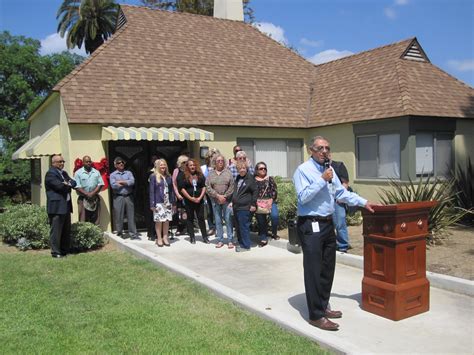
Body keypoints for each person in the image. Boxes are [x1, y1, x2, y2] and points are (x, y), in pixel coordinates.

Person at [293, 135, 375, 331]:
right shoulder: (303, 171)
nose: (324, 151)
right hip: (310, 224)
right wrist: (322, 180)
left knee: (327, 269)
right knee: (314, 270)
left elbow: (341, 193)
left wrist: (364, 202)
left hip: (328, 225)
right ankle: (316, 315)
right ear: (311, 151)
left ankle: (323, 305)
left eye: (327, 148)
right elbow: (303, 198)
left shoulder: (329, 171)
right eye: (320, 148)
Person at [45, 154, 77, 258]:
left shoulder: (64, 173)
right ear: (53, 163)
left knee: (65, 230)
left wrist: (66, 183)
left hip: (66, 206)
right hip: (57, 207)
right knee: (56, 231)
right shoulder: (50, 174)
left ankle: (64, 250)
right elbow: (59, 187)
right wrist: (67, 185)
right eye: (60, 162)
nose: (62, 163)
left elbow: (74, 183)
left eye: (63, 161)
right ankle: (55, 252)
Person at [205, 154, 235, 248]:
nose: (220, 162)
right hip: (215, 201)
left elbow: (232, 186)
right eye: (218, 161)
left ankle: (230, 240)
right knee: (218, 220)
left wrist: (224, 196)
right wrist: (217, 196)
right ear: (214, 162)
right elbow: (208, 187)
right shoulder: (211, 173)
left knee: (228, 219)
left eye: (222, 160)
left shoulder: (228, 172)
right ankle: (220, 240)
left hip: (226, 200)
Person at [177, 158, 209, 244]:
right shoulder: (182, 175)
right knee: (190, 218)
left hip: (199, 200)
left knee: (201, 218)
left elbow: (204, 186)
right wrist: (190, 198)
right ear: (187, 166)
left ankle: (205, 237)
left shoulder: (200, 175)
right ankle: (192, 237)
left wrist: (200, 197)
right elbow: (182, 189)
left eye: (194, 165)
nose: (192, 167)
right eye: (191, 165)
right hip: (188, 200)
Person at [110, 157, 140, 240]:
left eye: (122, 162)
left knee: (131, 215)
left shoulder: (128, 173)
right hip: (118, 197)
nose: (121, 164)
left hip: (128, 196)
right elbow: (113, 185)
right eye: (119, 163)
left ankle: (133, 234)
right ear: (115, 165)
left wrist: (121, 182)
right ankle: (119, 232)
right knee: (119, 216)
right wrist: (126, 182)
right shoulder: (113, 175)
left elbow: (132, 182)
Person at [231, 160, 257, 252]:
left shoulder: (250, 178)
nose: (242, 170)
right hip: (236, 206)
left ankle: (246, 246)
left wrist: (253, 204)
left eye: (243, 168)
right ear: (237, 169)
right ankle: (242, 243)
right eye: (240, 168)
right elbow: (235, 191)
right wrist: (232, 202)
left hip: (245, 207)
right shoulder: (237, 178)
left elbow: (255, 192)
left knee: (244, 226)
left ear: (246, 169)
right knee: (238, 226)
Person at [149, 159, 175, 247]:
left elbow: (172, 190)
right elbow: (151, 191)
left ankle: (165, 237)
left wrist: (173, 202)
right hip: (158, 202)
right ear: (157, 166)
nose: (163, 166)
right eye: (161, 165)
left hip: (167, 202)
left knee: (166, 220)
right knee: (159, 221)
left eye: (164, 165)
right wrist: (152, 204)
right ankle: (159, 238)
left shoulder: (168, 176)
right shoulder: (153, 176)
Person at [254, 161, 280, 247]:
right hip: (259, 203)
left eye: (265, 168)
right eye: (261, 168)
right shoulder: (253, 180)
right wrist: (255, 203)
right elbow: (252, 192)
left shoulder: (270, 179)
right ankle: (263, 237)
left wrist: (271, 201)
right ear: (257, 170)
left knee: (275, 216)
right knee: (261, 221)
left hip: (270, 201)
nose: (263, 170)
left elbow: (274, 191)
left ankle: (274, 233)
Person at [74, 155, 104, 225]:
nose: (88, 163)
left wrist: (92, 193)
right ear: (83, 163)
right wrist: (87, 194)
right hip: (83, 198)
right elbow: (77, 186)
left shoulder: (96, 172)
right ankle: (85, 235)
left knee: (96, 219)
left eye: (89, 161)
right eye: (86, 162)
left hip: (94, 198)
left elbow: (100, 184)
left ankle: (95, 234)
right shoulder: (78, 173)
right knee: (83, 220)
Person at [330, 158, 352, 252]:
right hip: (326, 200)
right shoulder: (319, 168)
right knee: (328, 224)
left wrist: (340, 197)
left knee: (340, 223)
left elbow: (345, 183)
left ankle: (343, 245)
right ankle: (332, 244)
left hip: (337, 200)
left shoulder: (338, 166)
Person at [201, 148, 219, 236]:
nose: (212, 157)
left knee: (218, 210)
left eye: (214, 155)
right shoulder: (203, 168)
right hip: (207, 193)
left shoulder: (219, 167)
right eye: (210, 156)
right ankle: (212, 227)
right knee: (209, 211)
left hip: (218, 192)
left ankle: (218, 227)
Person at [172, 154, 189, 235]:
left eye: (187, 162)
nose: (186, 163)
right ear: (180, 162)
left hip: (188, 194)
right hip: (179, 194)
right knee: (179, 212)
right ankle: (179, 228)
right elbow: (174, 184)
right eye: (184, 162)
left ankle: (188, 228)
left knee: (188, 212)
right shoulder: (176, 171)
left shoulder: (189, 170)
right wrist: (177, 194)